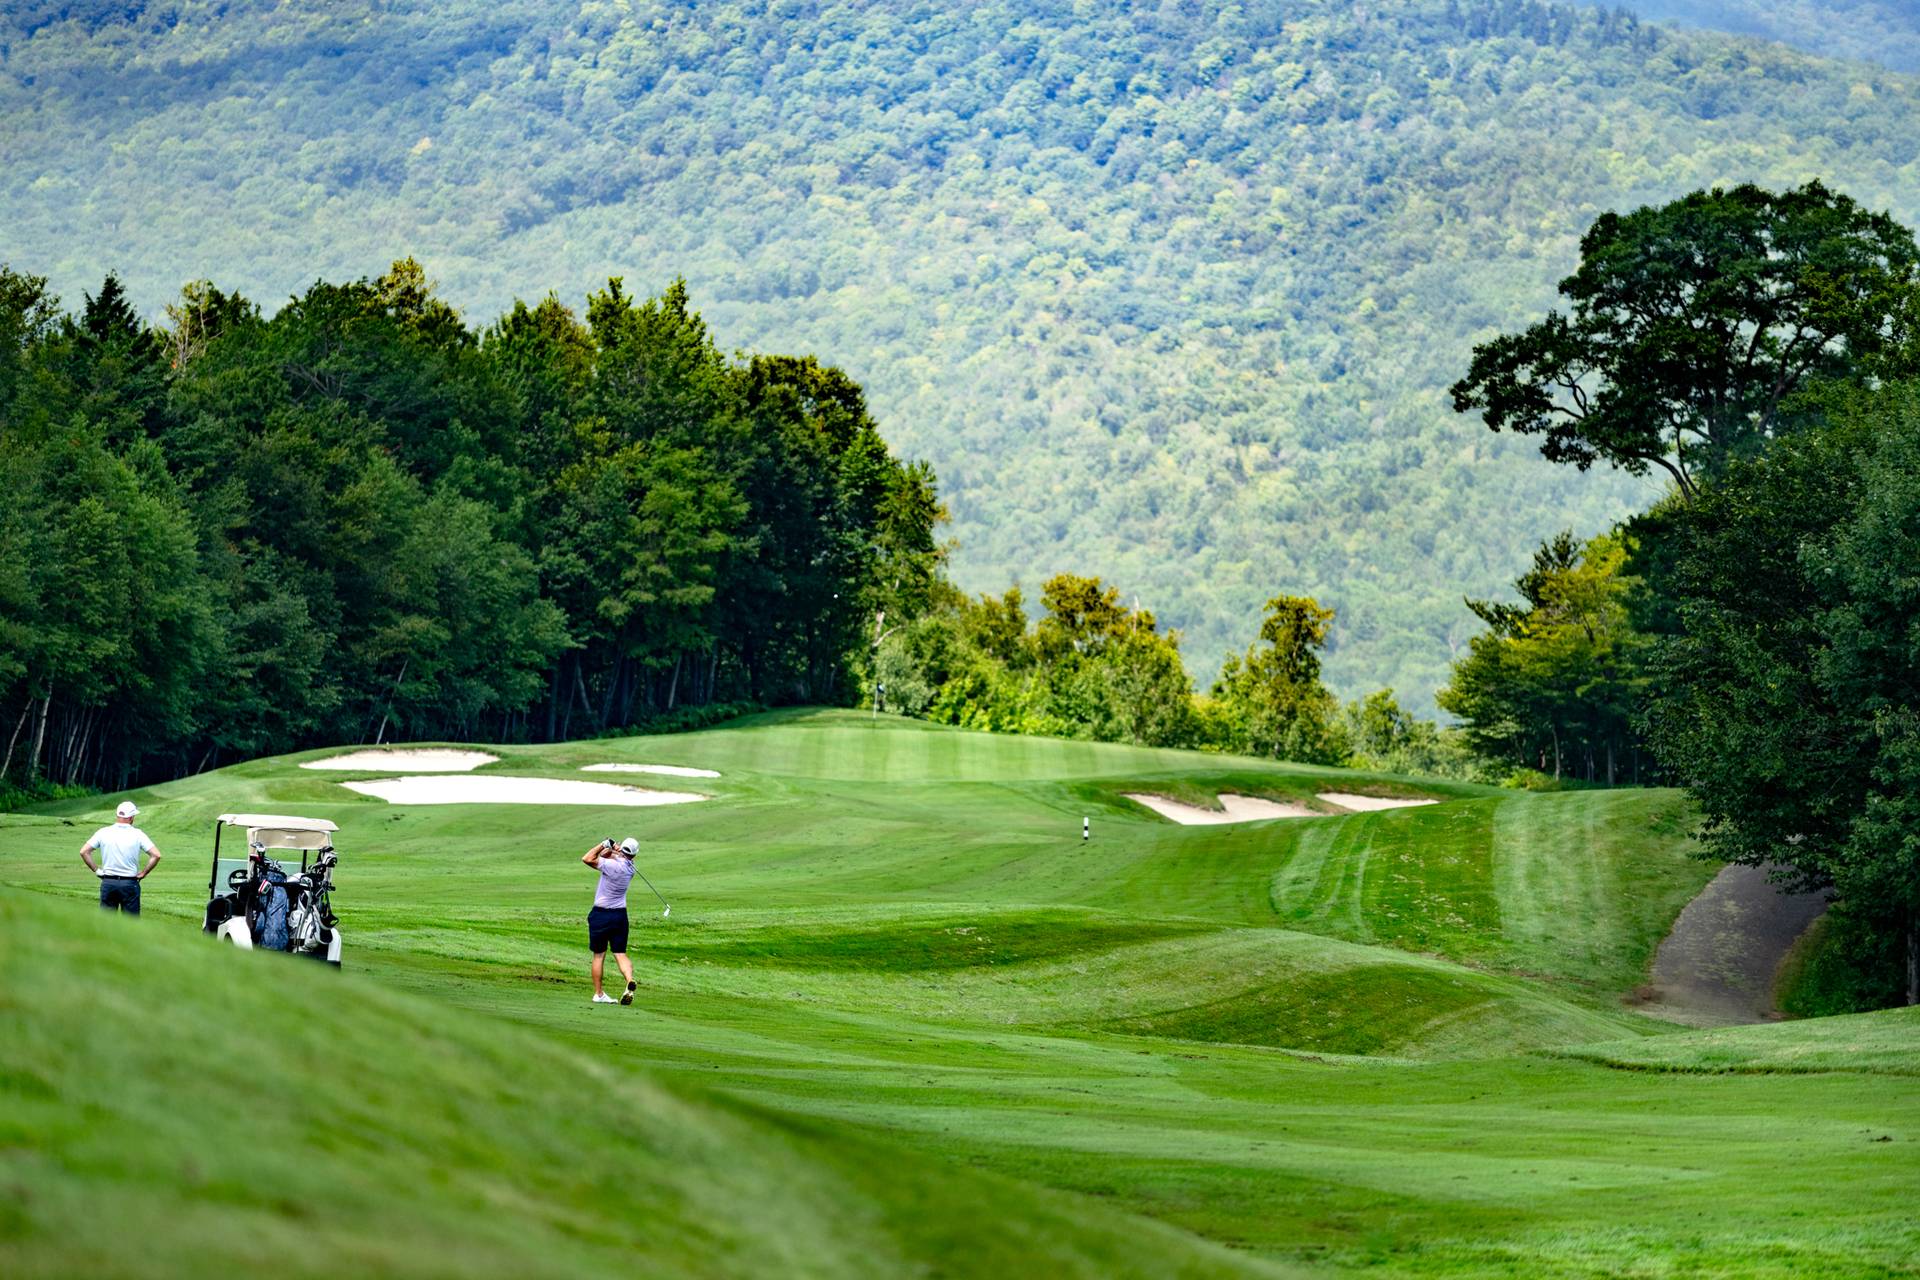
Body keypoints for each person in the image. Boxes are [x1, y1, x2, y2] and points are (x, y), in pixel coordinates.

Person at [582, 837, 638, 1005]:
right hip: (620, 916)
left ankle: (598, 994)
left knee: (599, 955)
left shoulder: (612, 865)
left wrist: (604, 844)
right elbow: (608, 857)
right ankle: (629, 980)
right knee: (620, 953)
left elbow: (587, 858)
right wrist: (615, 850)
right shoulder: (631, 869)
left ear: (622, 851)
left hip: (601, 914)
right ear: (634, 855)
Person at [80, 800, 162, 914]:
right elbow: (156, 855)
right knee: (130, 926)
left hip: (108, 882)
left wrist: (97, 870)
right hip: (129, 884)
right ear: (131, 817)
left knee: (107, 924)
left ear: (117, 815)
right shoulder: (138, 834)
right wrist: (143, 873)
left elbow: (84, 852)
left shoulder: (103, 832)